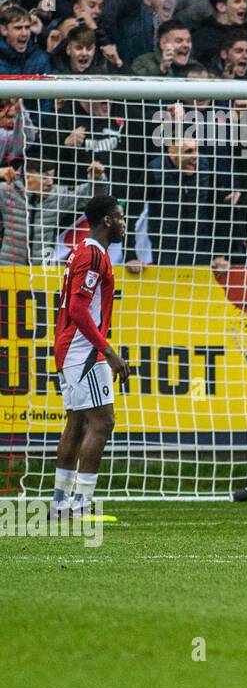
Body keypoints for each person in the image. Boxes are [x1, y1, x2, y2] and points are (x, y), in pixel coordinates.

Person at [50, 195, 130, 517]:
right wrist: (107, 351)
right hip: (82, 350)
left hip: (70, 347)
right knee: (103, 421)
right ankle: (81, 504)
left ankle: (59, 504)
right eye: (120, 217)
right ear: (107, 220)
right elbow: (79, 309)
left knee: (78, 423)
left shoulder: (82, 252)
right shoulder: (93, 256)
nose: (124, 222)